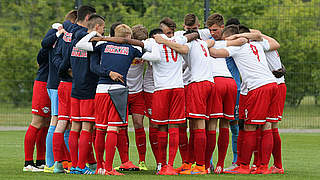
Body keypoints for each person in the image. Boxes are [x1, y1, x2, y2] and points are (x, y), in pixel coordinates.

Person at [210, 25, 280, 174]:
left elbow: (215, 53)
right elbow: (265, 38)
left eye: (225, 38)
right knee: (266, 125)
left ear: (231, 36)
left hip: (258, 87)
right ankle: (263, 167)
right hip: (272, 84)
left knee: (249, 126)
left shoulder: (238, 47)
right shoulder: (256, 44)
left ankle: (244, 166)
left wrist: (203, 47)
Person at [76, 24, 143, 175]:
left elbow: (80, 45)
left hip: (100, 90)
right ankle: (109, 168)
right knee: (113, 128)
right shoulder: (132, 49)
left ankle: (100, 167)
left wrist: (97, 35)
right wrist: (132, 43)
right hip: (118, 91)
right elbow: (153, 52)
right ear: (128, 37)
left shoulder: (102, 44)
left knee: (100, 128)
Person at [66, 6, 98, 175]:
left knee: (75, 127)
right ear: (88, 18)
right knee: (86, 127)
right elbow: (94, 66)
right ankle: (79, 166)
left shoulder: (71, 36)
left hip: (75, 87)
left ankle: (74, 165)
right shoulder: (88, 38)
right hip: (88, 89)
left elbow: (66, 61)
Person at [206, 13, 238, 173]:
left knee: (212, 123)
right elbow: (242, 39)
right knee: (225, 123)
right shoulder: (228, 42)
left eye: (215, 30)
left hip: (217, 82)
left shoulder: (207, 43)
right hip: (230, 83)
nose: (212, 33)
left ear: (222, 28)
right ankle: (219, 165)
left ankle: (207, 164)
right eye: (210, 30)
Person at [51, 10, 78, 173]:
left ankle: (58, 164)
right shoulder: (75, 36)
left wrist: (63, 69)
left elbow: (55, 57)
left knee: (62, 123)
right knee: (79, 124)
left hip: (62, 84)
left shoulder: (61, 37)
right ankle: (78, 164)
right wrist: (70, 70)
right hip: (73, 86)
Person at [41, 20, 66, 173]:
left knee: (64, 122)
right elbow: (44, 44)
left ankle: (67, 162)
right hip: (56, 85)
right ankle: (50, 163)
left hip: (57, 84)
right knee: (56, 120)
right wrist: (57, 31)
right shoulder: (56, 34)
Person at [23, 47, 51, 172]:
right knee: (37, 122)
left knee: (46, 123)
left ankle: (40, 161)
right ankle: (28, 163)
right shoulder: (47, 46)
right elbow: (40, 58)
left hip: (51, 85)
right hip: (43, 85)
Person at [126, 25, 148, 170]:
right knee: (122, 127)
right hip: (123, 92)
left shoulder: (145, 51)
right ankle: (125, 160)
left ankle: (142, 161)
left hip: (138, 92)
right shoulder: (127, 50)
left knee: (139, 124)